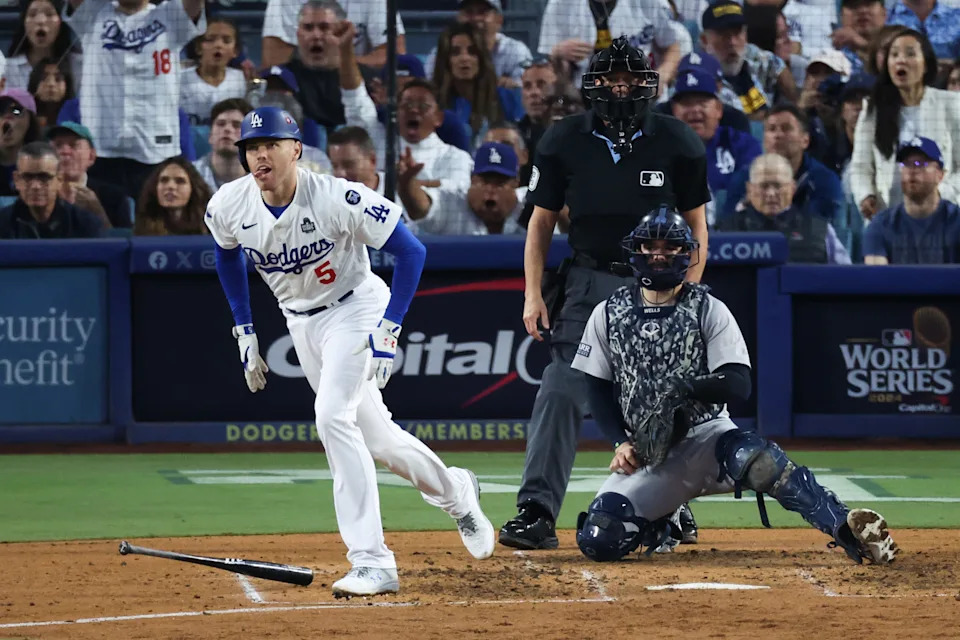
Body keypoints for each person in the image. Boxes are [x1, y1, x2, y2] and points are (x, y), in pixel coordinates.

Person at [204, 106, 495, 597]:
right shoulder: (229, 203)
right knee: (378, 438)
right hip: (300, 321)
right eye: (252, 148)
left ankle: (372, 561)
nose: (260, 155)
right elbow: (226, 253)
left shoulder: (337, 196)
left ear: (296, 150)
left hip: (356, 309)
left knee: (332, 417)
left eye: (271, 144)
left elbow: (412, 251)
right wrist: (244, 328)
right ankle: (456, 492)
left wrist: (389, 328)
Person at [570, 207, 898, 566]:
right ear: (637, 251)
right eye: (651, 246)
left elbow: (738, 383)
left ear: (686, 253)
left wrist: (687, 387)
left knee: (759, 461)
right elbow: (595, 386)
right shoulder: (608, 312)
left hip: (708, 437)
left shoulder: (708, 308)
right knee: (600, 538)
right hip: (653, 453)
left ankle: (845, 526)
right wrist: (619, 442)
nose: (659, 255)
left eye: (670, 247)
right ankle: (665, 518)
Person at [498, 36, 709, 551]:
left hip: (659, 283)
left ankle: (671, 505)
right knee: (560, 386)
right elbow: (540, 223)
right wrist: (532, 293)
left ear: (647, 85)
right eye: (610, 79)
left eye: (629, 79)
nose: (620, 88)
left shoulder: (678, 140)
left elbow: (697, 226)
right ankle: (536, 511)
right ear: (592, 85)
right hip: (588, 281)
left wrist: (688, 293)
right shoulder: (562, 139)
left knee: (663, 396)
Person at [64, 0, 205, 200]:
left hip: (155, 149)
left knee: (152, 220)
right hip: (101, 149)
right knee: (98, 218)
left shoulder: (170, 14)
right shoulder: (94, 12)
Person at [850, 28, 960, 220]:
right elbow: (860, 166)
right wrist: (865, 195)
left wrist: (941, 194)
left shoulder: (951, 105)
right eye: (894, 55)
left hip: (943, 217)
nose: (901, 60)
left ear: (925, 65)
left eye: (910, 54)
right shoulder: (873, 110)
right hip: (889, 219)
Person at [716, 154, 852, 263]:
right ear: (749, 190)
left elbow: (846, 278)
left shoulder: (821, 231)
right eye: (763, 186)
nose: (771, 193)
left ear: (792, 188)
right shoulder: (725, 231)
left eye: (778, 186)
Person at [863, 137, 960, 263]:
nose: (912, 170)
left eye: (921, 163)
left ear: (940, 175)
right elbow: (876, 274)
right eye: (906, 164)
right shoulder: (881, 226)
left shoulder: (956, 222)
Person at [416, 141, 526, 235]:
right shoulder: (454, 200)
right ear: (472, 180)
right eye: (485, 182)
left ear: (515, 184)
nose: (491, 189)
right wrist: (408, 182)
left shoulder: (529, 203)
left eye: (500, 183)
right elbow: (421, 207)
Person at [0, 141, 103, 239]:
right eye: (28, 177)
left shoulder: (85, 224)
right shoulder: (2, 222)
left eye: (44, 177)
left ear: (59, 179)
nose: (36, 186)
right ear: (17, 180)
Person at [47, 121, 131, 229]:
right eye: (58, 145)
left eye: (74, 145)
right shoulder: (38, 193)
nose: (65, 151)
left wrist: (97, 211)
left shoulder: (114, 198)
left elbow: (122, 238)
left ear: (91, 156)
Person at [133, 157, 212, 236]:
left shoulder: (211, 225)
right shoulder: (142, 227)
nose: (171, 186)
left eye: (180, 181)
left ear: (193, 188)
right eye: (164, 180)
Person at [193, 98, 252, 193]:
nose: (227, 129)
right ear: (210, 135)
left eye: (236, 125)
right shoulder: (190, 175)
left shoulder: (261, 179)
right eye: (221, 124)